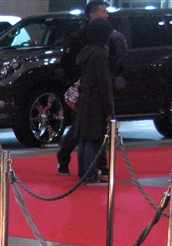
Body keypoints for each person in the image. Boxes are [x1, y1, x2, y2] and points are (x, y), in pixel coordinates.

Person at [55, 1, 124, 175]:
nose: (106, 15)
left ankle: (98, 166)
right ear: (93, 14)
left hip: (89, 89)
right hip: (86, 90)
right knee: (84, 132)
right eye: (103, 11)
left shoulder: (97, 41)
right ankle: (79, 165)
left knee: (91, 132)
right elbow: (70, 64)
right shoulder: (83, 38)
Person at [75, 18, 115, 185]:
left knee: (84, 138)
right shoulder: (100, 54)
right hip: (96, 100)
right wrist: (109, 109)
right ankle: (90, 175)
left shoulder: (86, 51)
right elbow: (104, 83)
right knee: (93, 138)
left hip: (85, 97)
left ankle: (84, 172)